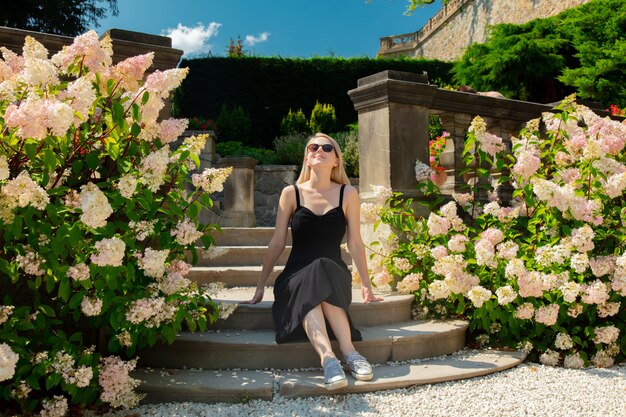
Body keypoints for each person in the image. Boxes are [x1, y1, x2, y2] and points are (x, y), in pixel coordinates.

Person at [243, 132, 383, 390]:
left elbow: (354, 243)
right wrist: (261, 285)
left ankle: (346, 355)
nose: (319, 150)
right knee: (311, 275)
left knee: (320, 268)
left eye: (327, 147)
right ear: (307, 158)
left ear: (336, 160)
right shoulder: (291, 193)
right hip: (294, 277)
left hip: (333, 274)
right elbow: (277, 242)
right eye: (313, 147)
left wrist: (366, 284)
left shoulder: (348, 193)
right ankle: (332, 358)